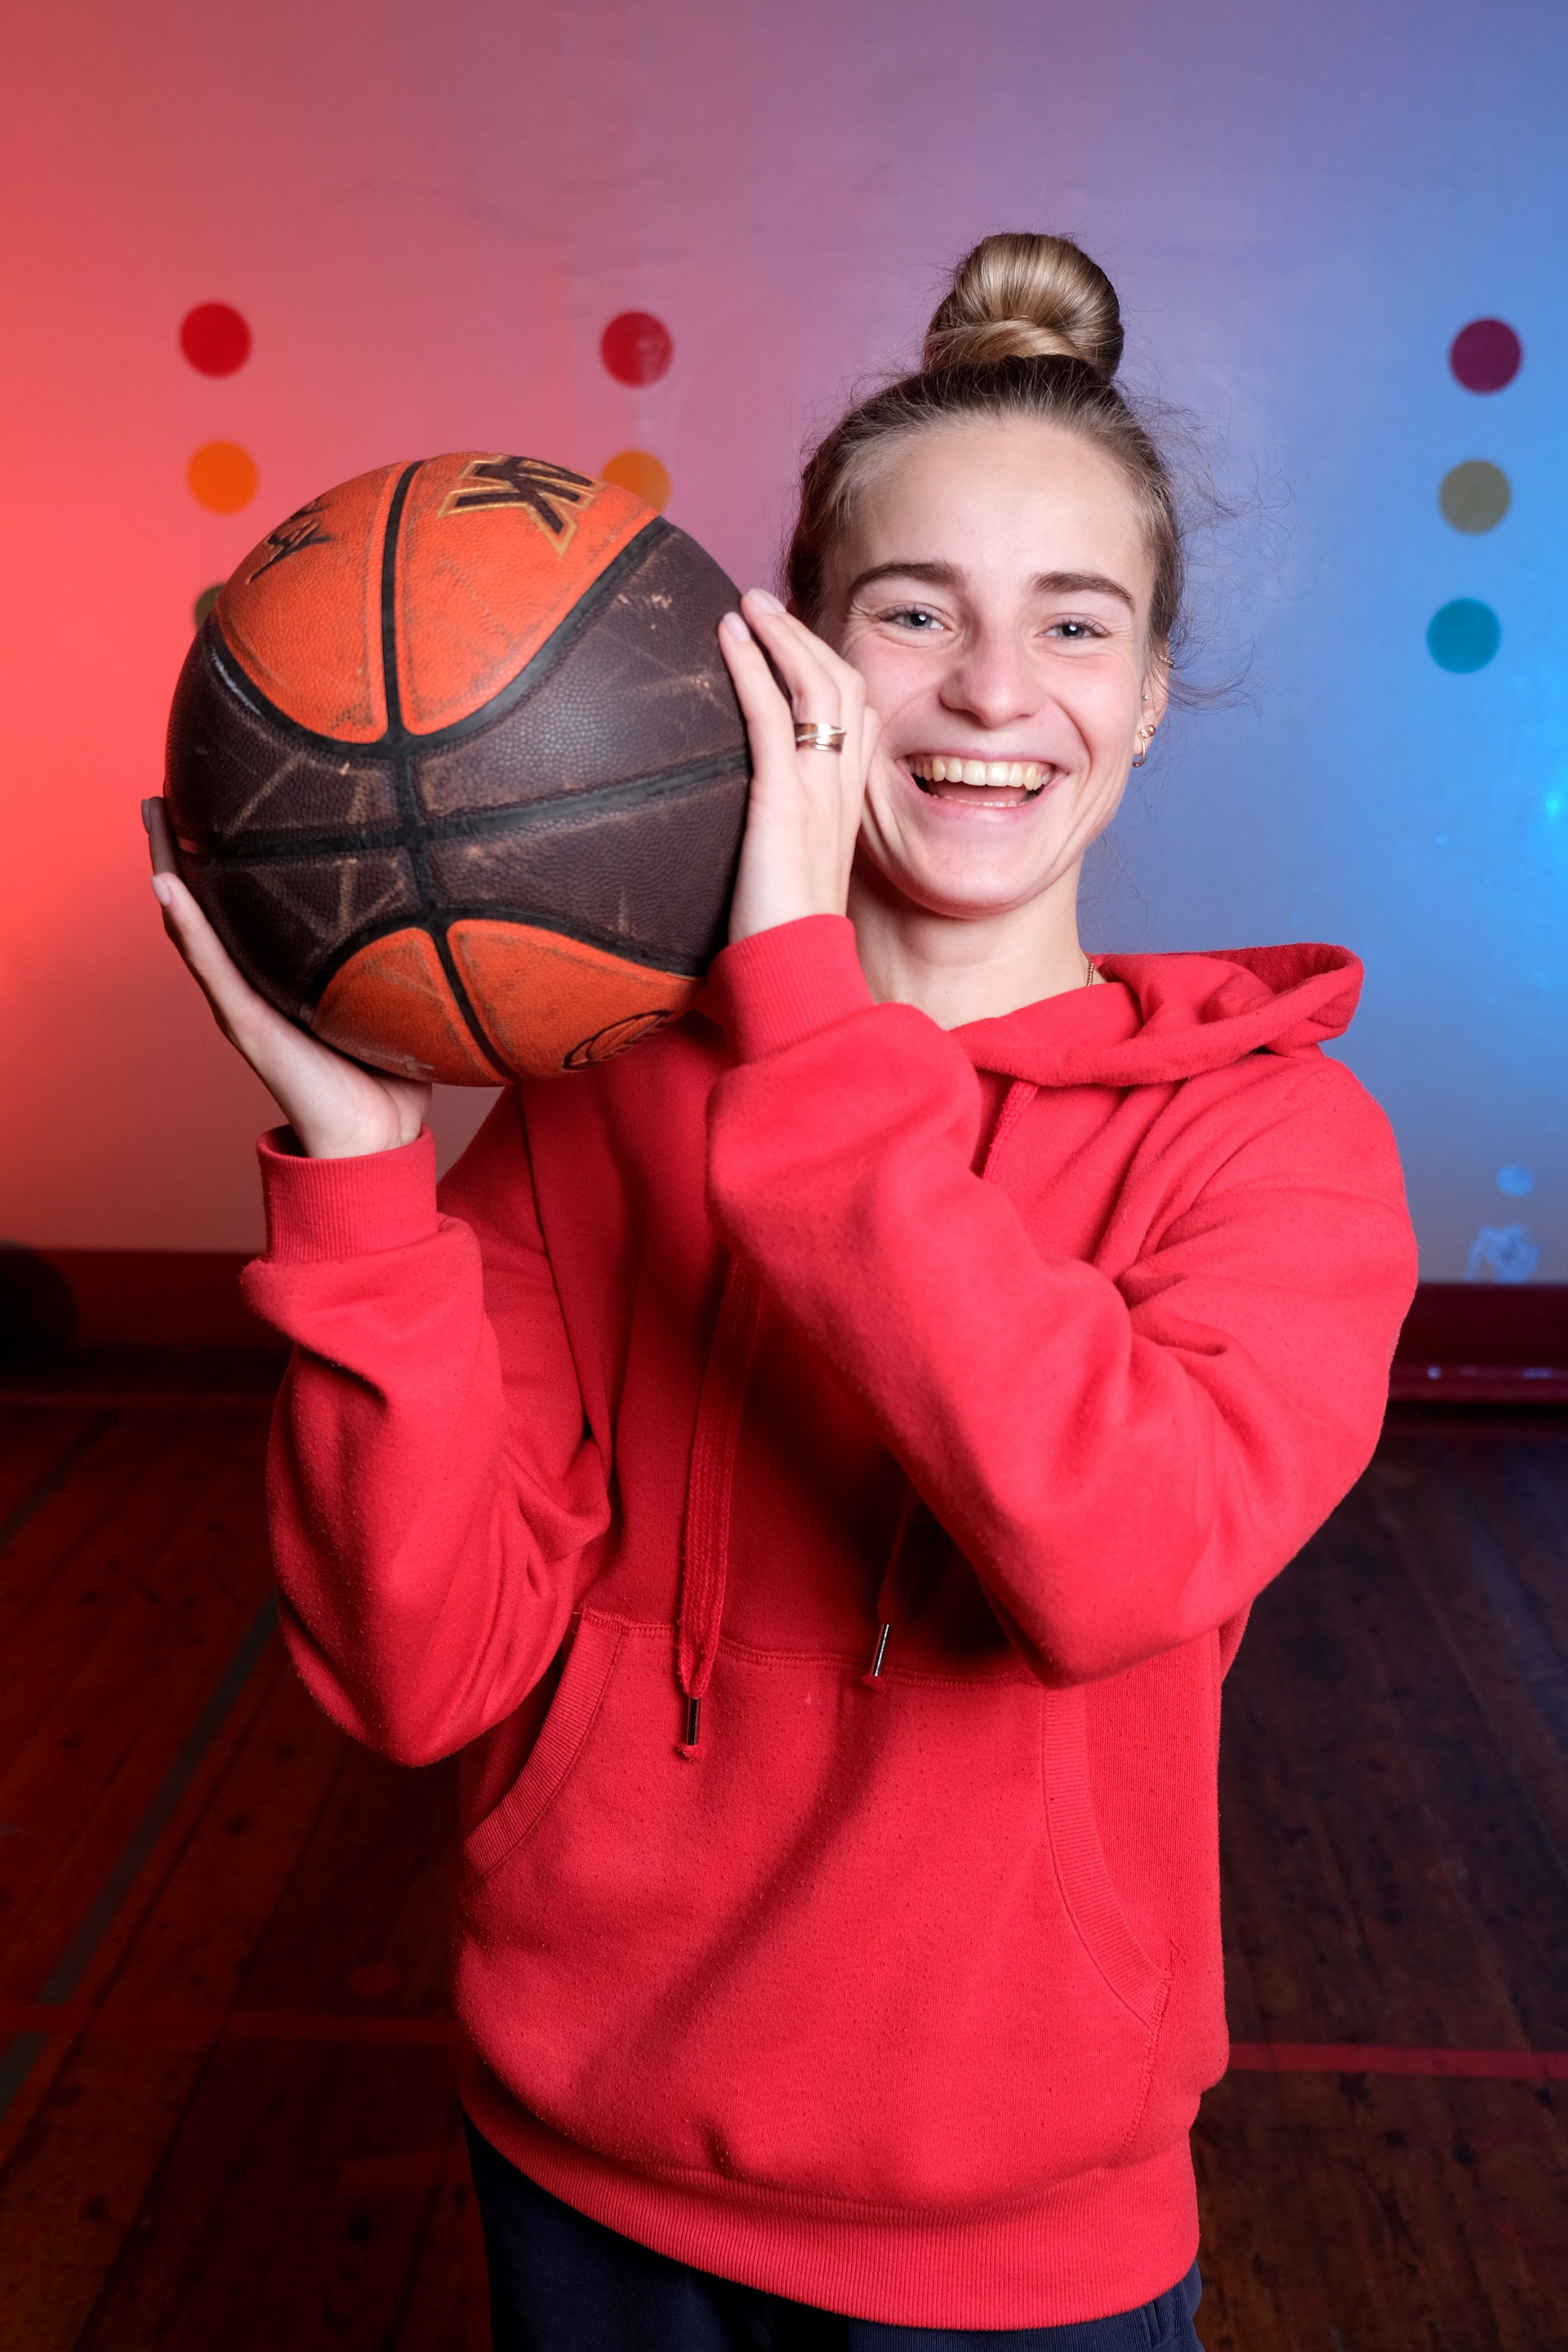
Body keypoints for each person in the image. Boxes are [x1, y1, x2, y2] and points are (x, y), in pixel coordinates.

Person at [145, 232, 1417, 2350]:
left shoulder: (1274, 1147)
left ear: (1149, 693)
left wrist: (809, 1033)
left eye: (1073, 623)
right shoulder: (600, 1103)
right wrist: (364, 1184)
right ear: (787, 664)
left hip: (1015, 2252)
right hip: (581, 2177)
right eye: (912, 612)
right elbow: (414, 1673)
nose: (992, 693)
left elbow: (1113, 1555)